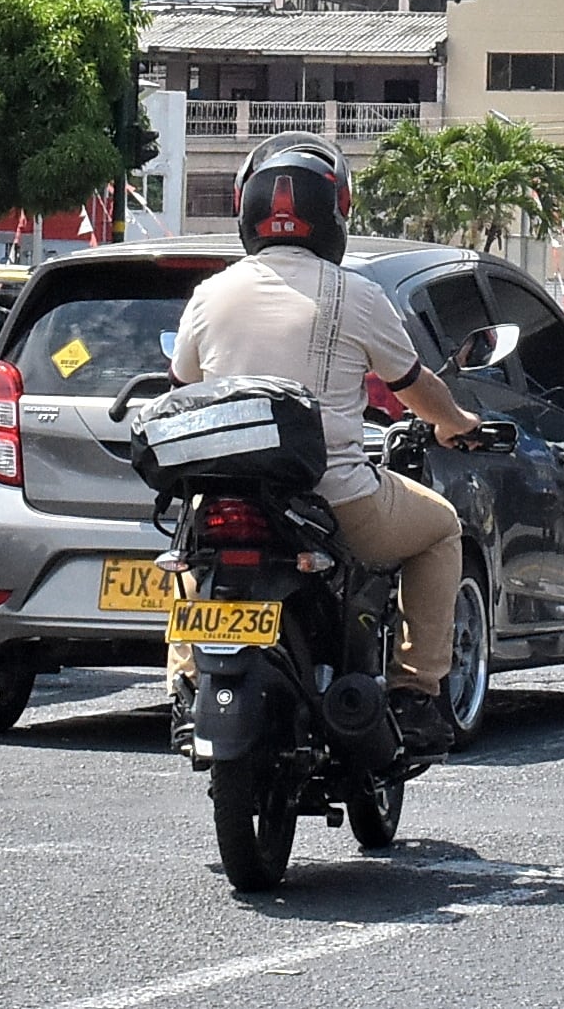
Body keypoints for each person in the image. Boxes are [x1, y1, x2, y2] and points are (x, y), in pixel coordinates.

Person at [168, 132, 481, 754]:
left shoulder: (210, 294)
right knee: (442, 528)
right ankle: (415, 692)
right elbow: (415, 387)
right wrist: (456, 423)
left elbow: (182, 390)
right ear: (335, 210)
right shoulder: (358, 295)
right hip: (334, 498)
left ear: (246, 211)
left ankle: (183, 685)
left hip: (230, 494)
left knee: (193, 554)